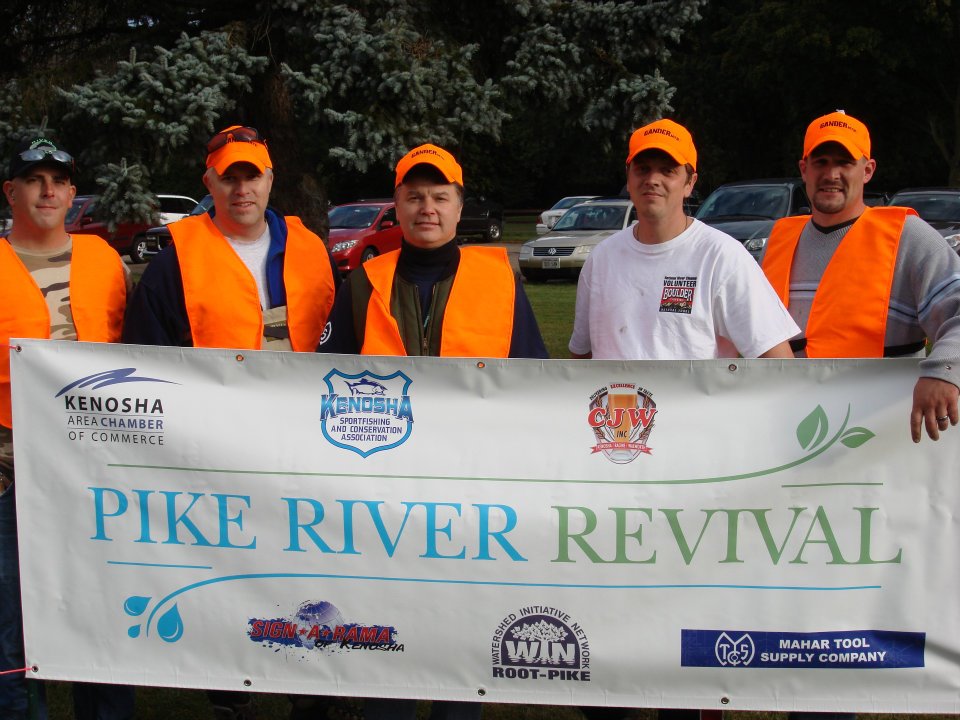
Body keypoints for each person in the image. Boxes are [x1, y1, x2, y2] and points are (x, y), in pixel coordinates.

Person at [318, 143, 547, 719]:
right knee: (387, 641)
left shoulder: (500, 281)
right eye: (414, 195)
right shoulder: (361, 284)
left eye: (439, 196)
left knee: (458, 643)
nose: (427, 208)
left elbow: (536, 388)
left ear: (459, 204)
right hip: (380, 499)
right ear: (395, 204)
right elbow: (317, 384)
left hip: (469, 497)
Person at [122, 125, 341, 720]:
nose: (241, 187)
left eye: (252, 174)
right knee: (228, 566)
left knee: (308, 565)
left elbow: (340, 342)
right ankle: (230, 689)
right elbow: (146, 355)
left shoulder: (308, 246)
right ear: (209, 181)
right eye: (229, 175)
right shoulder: (177, 257)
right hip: (215, 450)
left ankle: (312, 687)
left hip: (304, 446)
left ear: (270, 178)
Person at [0, 136, 135, 719]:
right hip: (9, 463)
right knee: (11, 615)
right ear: (11, 191)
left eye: (59, 180)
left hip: (95, 464)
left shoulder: (105, 260)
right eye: (34, 179)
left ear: (74, 194)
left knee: (101, 605)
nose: (48, 190)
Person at [763, 110, 960, 445]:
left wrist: (944, 371)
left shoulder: (908, 237)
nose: (831, 174)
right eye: (820, 162)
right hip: (787, 436)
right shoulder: (779, 240)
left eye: (845, 162)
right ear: (803, 170)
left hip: (879, 441)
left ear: (867, 170)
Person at [569, 118, 798, 362]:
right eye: (643, 168)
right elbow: (581, 359)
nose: (652, 179)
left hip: (694, 402)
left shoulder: (721, 256)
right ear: (629, 178)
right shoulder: (602, 258)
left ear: (690, 183)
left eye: (668, 170)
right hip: (618, 401)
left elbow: (778, 362)